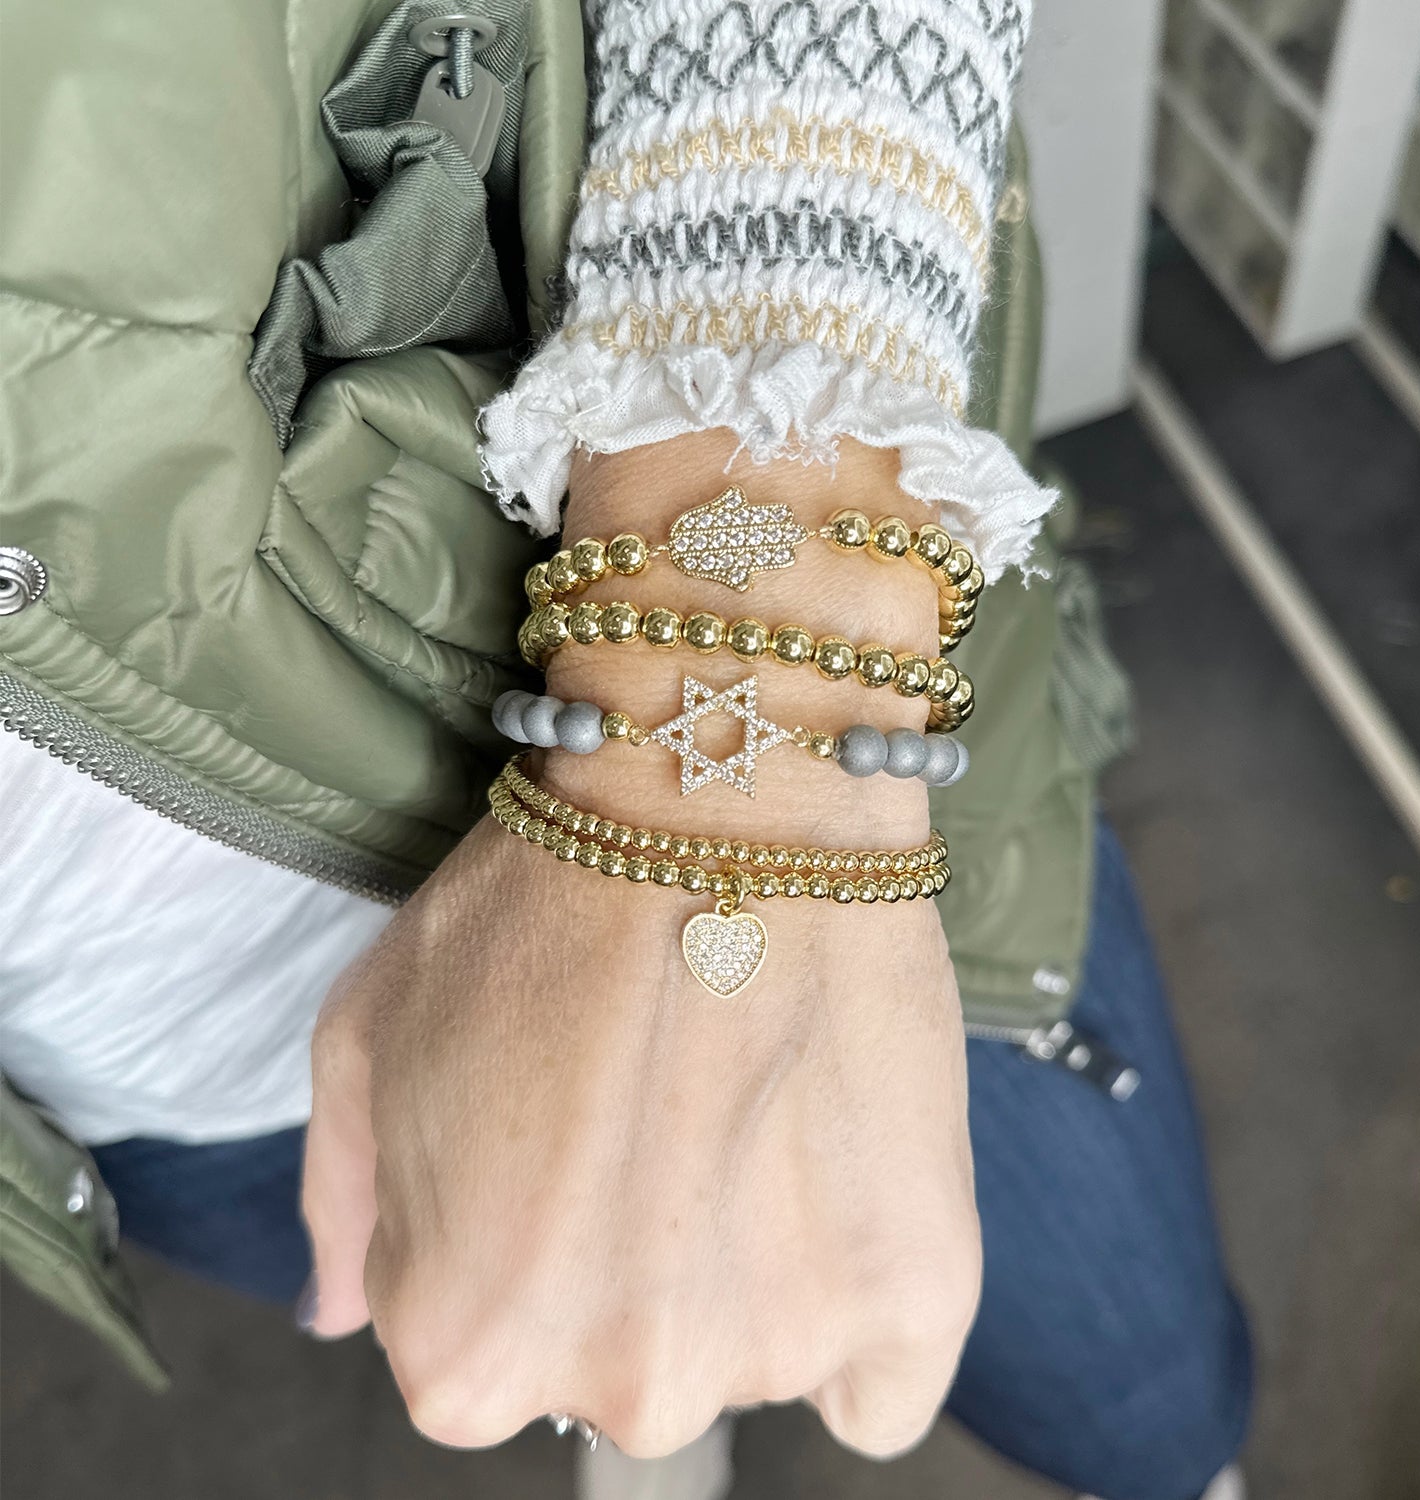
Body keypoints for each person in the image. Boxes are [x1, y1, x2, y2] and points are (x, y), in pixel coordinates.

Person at [0, 1, 1250, 1496]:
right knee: (594, 1380)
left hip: (843, 856)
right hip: (141, 1081)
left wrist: (728, 681)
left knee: (1152, 1418)